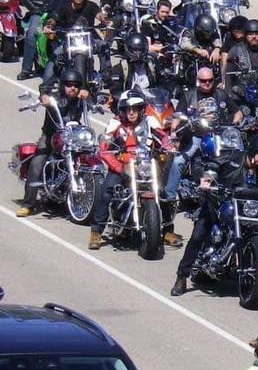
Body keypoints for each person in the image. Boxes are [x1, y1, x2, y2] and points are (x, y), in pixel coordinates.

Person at [171, 133, 258, 296]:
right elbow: (212, 166)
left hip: (247, 208)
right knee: (197, 236)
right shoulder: (233, 158)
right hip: (219, 203)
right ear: (252, 150)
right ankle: (181, 277)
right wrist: (207, 179)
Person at [91, 90, 171, 250]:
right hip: (122, 165)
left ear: (142, 109)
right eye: (128, 109)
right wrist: (117, 166)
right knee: (108, 190)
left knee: (162, 192)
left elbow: (163, 136)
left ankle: (168, 230)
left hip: (146, 165)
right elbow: (104, 146)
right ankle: (96, 232)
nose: (132, 112)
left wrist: (168, 145)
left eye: (135, 108)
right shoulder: (116, 123)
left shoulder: (150, 121)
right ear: (123, 110)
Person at [16, 68, 90, 217]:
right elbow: (44, 88)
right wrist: (44, 97)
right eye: (69, 85)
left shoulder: (80, 97)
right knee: (37, 162)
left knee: (90, 155)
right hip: (51, 135)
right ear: (63, 85)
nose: (73, 88)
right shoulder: (55, 94)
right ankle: (28, 204)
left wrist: (88, 93)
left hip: (73, 135)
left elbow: (92, 95)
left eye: (76, 85)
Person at [163, 66, 242, 202]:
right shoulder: (188, 95)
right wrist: (174, 132)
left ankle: (235, 194)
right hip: (196, 136)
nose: (207, 83)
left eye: (210, 80)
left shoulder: (221, 94)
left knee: (236, 158)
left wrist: (232, 125)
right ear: (198, 80)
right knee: (178, 161)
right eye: (203, 80)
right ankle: (169, 195)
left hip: (219, 136)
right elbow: (177, 116)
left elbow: (238, 112)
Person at [38, 0, 106, 91]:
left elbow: (99, 14)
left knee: (104, 46)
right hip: (68, 41)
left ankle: (105, 74)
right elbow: (54, 17)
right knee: (53, 60)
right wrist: (49, 25)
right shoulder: (63, 6)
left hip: (88, 39)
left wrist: (105, 20)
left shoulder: (91, 6)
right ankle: (45, 88)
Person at [19, 0, 71, 79]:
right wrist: (37, 10)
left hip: (57, 12)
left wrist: (62, 8)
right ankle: (26, 70)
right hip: (39, 12)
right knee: (31, 35)